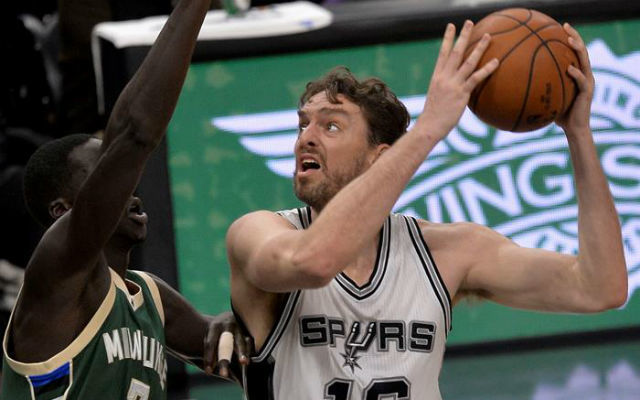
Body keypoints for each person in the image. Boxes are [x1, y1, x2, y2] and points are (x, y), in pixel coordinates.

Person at [226, 20, 628, 399]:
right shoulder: (257, 233)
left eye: (330, 126)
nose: (305, 139)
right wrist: (430, 127)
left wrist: (579, 134)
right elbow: (314, 262)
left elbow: (600, 289)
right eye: (303, 125)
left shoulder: (448, 251)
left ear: (379, 157)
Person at [1, 0, 249, 398]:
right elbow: (134, 135)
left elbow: (243, 352)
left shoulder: (148, 295)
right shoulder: (56, 275)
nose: (129, 191)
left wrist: (232, 327)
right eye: (103, 178)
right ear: (63, 212)